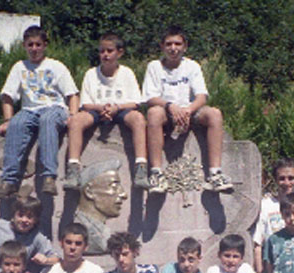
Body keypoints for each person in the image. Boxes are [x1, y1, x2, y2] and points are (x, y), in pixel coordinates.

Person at [0, 25, 79, 198]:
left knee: (47, 120)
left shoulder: (56, 66)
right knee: (17, 123)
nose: (34, 49)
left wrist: (73, 117)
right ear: (24, 45)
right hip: (30, 110)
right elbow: (7, 96)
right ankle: (9, 181)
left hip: (55, 107)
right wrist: (8, 120)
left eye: (38, 44)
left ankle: (49, 177)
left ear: (45, 45)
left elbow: (72, 94)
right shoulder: (20, 67)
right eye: (30, 45)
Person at [142, 25, 231, 193]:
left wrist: (187, 111)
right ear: (162, 46)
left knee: (214, 114)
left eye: (177, 44)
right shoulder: (154, 66)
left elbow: (201, 97)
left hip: (190, 111)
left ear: (185, 46)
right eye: (169, 44)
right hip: (166, 112)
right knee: (153, 113)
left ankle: (215, 174)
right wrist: (170, 107)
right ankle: (156, 174)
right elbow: (150, 97)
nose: (173, 48)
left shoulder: (192, 66)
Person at [66, 32, 149, 190]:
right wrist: (101, 108)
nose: (105, 55)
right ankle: (73, 169)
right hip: (96, 110)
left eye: (110, 51)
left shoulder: (127, 73)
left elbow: (135, 102)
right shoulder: (91, 74)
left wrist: (116, 108)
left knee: (138, 118)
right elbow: (85, 104)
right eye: (102, 51)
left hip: (121, 109)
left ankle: (141, 168)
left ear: (119, 52)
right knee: (76, 120)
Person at [252, 158, 294, 273]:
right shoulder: (266, 206)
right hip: (275, 271)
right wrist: (260, 272)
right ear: (275, 180)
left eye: (291, 178)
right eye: (282, 178)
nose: (287, 183)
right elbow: (258, 243)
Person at [72, 159, 128, 255]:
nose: (124, 195)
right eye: (114, 187)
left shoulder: (103, 232)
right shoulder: (80, 231)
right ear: (89, 192)